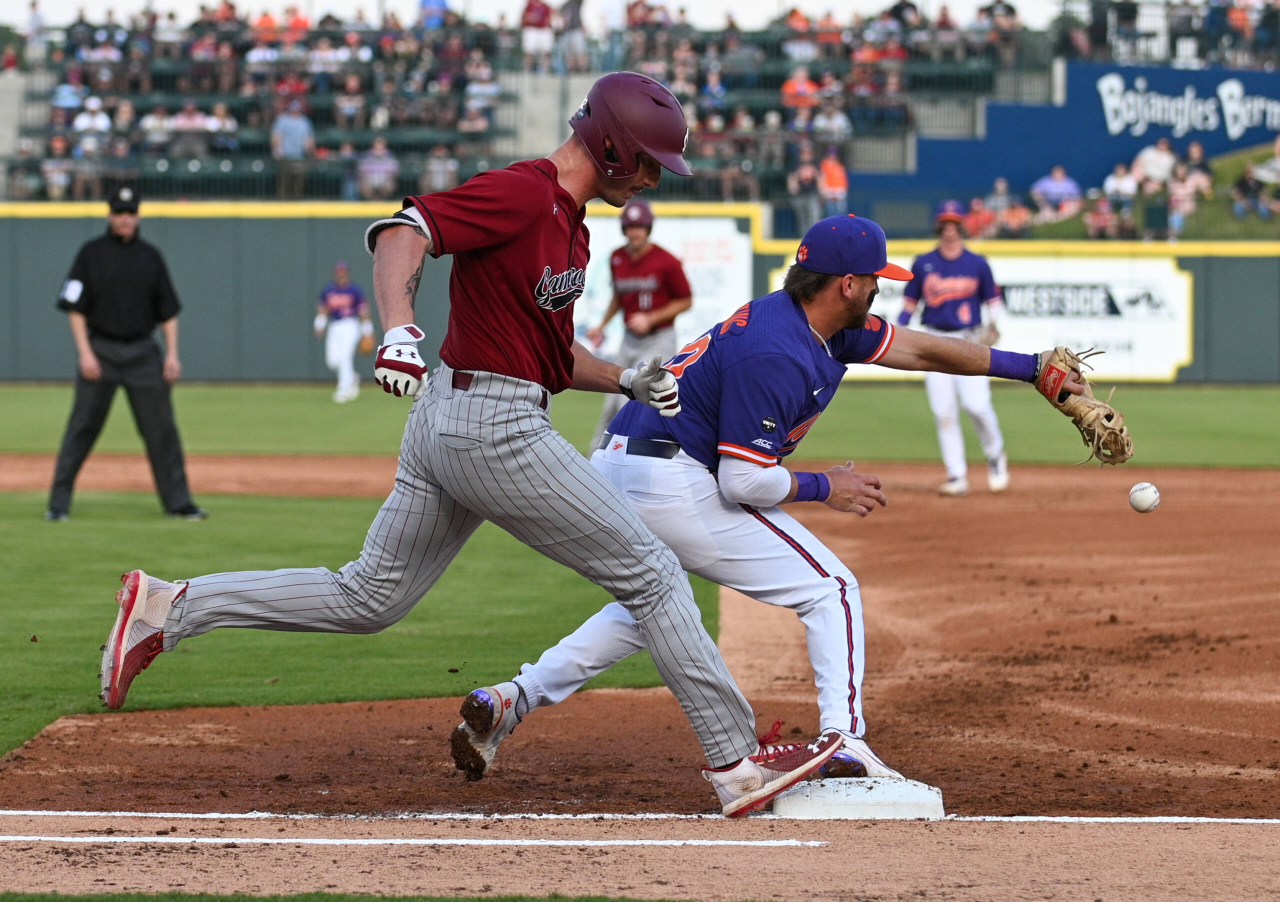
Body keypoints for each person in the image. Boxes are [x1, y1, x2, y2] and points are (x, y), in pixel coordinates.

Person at [97, 73, 842, 820]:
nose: (653, 178)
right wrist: (397, 326)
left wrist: (624, 379)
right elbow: (403, 231)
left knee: (368, 597)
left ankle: (168, 608)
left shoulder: (571, 224)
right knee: (651, 571)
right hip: (492, 426)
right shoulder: (525, 191)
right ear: (611, 146)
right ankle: (737, 763)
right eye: (647, 162)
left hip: (461, 417)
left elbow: (549, 356)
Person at [456, 214, 1086, 787]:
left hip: (627, 465)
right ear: (844, 284)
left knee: (652, 610)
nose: (879, 289)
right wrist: (825, 486)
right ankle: (847, 739)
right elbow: (742, 482)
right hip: (674, 478)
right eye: (873, 279)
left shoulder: (816, 323)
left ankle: (511, 699)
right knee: (829, 588)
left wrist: (1028, 367)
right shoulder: (779, 352)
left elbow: (920, 347)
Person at [48, 187, 205, 522]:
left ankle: (179, 504)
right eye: (119, 212)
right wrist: (85, 353)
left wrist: (172, 355)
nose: (125, 219)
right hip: (100, 352)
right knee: (82, 427)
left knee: (161, 429)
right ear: (109, 215)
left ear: (138, 216)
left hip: (142, 353)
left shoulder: (150, 255)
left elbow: (168, 312)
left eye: (130, 212)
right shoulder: (91, 253)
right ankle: (57, 506)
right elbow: (74, 308)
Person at [897, 200, 1008, 496]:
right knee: (943, 411)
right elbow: (909, 304)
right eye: (944, 224)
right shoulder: (923, 263)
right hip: (934, 340)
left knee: (977, 406)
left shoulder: (977, 263)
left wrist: (994, 325)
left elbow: (993, 301)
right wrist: (899, 329)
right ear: (939, 227)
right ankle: (957, 474)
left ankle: (995, 454)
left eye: (954, 224)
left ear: (961, 227)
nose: (949, 230)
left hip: (969, 340)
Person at [586, 199, 693, 451]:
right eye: (630, 227)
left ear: (648, 229)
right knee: (611, 404)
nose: (635, 232)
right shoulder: (617, 258)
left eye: (640, 227)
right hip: (629, 340)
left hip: (659, 339)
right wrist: (602, 324)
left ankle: (629, 460)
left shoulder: (666, 261)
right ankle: (594, 462)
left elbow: (686, 300)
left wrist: (651, 318)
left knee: (632, 402)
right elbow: (619, 297)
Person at [314, 261, 373, 402]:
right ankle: (351, 377)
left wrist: (367, 331)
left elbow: (363, 311)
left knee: (345, 357)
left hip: (350, 325)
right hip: (334, 326)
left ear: (347, 274)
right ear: (335, 274)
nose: (341, 276)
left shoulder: (354, 290)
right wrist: (319, 324)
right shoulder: (329, 289)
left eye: (343, 273)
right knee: (333, 361)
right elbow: (323, 309)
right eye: (338, 273)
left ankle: (343, 389)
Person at [272, 100, 314, 199]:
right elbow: (276, 136)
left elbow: (309, 139)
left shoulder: (304, 121)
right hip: (285, 155)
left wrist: (310, 151)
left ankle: (297, 201)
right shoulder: (282, 120)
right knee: (285, 180)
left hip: (299, 156)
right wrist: (276, 149)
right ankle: (282, 202)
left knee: (299, 181)